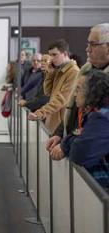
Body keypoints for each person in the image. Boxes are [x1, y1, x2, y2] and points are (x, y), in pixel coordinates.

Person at [47, 23, 109, 152]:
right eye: (88, 44)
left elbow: (96, 126)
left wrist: (66, 145)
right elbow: (72, 106)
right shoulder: (87, 69)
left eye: (93, 44)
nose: (87, 49)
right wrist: (60, 133)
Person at [50, 70, 109, 188]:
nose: (75, 94)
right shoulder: (96, 114)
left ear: (92, 92)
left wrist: (66, 143)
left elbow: (79, 154)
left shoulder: (102, 117)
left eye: (78, 89)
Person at [28, 39, 79, 133]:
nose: (51, 58)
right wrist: (50, 74)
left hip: (61, 123)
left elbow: (62, 99)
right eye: (50, 55)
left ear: (65, 54)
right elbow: (48, 92)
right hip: (53, 118)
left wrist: (40, 112)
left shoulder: (73, 72)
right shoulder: (59, 70)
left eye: (54, 55)